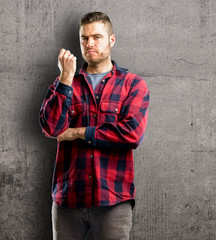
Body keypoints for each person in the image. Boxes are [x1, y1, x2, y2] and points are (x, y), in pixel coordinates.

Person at [39, 11, 149, 240]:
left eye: (97, 37)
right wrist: (65, 80)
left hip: (113, 201)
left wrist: (79, 132)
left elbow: (131, 135)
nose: (89, 43)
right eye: (84, 38)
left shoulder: (132, 85)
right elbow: (51, 127)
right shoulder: (64, 83)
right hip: (68, 200)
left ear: (111, 40)